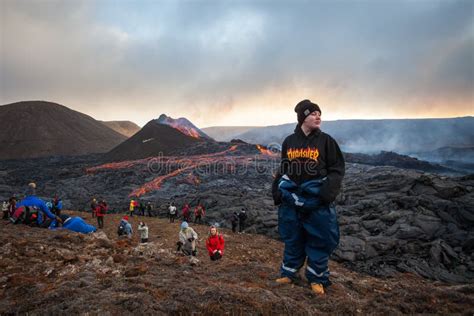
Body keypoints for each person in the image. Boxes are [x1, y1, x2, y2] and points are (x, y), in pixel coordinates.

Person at [272, 100, 345, 295]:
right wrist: (278, 192)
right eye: (313, 113)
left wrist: (325, 195)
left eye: (319, 113)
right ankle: (289, 273)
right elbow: (284, 169)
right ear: (303, 117)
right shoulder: (289, 142)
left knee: (319, 239)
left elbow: (337, 170)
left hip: (316, 202)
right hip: (292, 201)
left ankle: (317, 279)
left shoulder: (326, 141)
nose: (318, 116)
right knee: (293, 238)